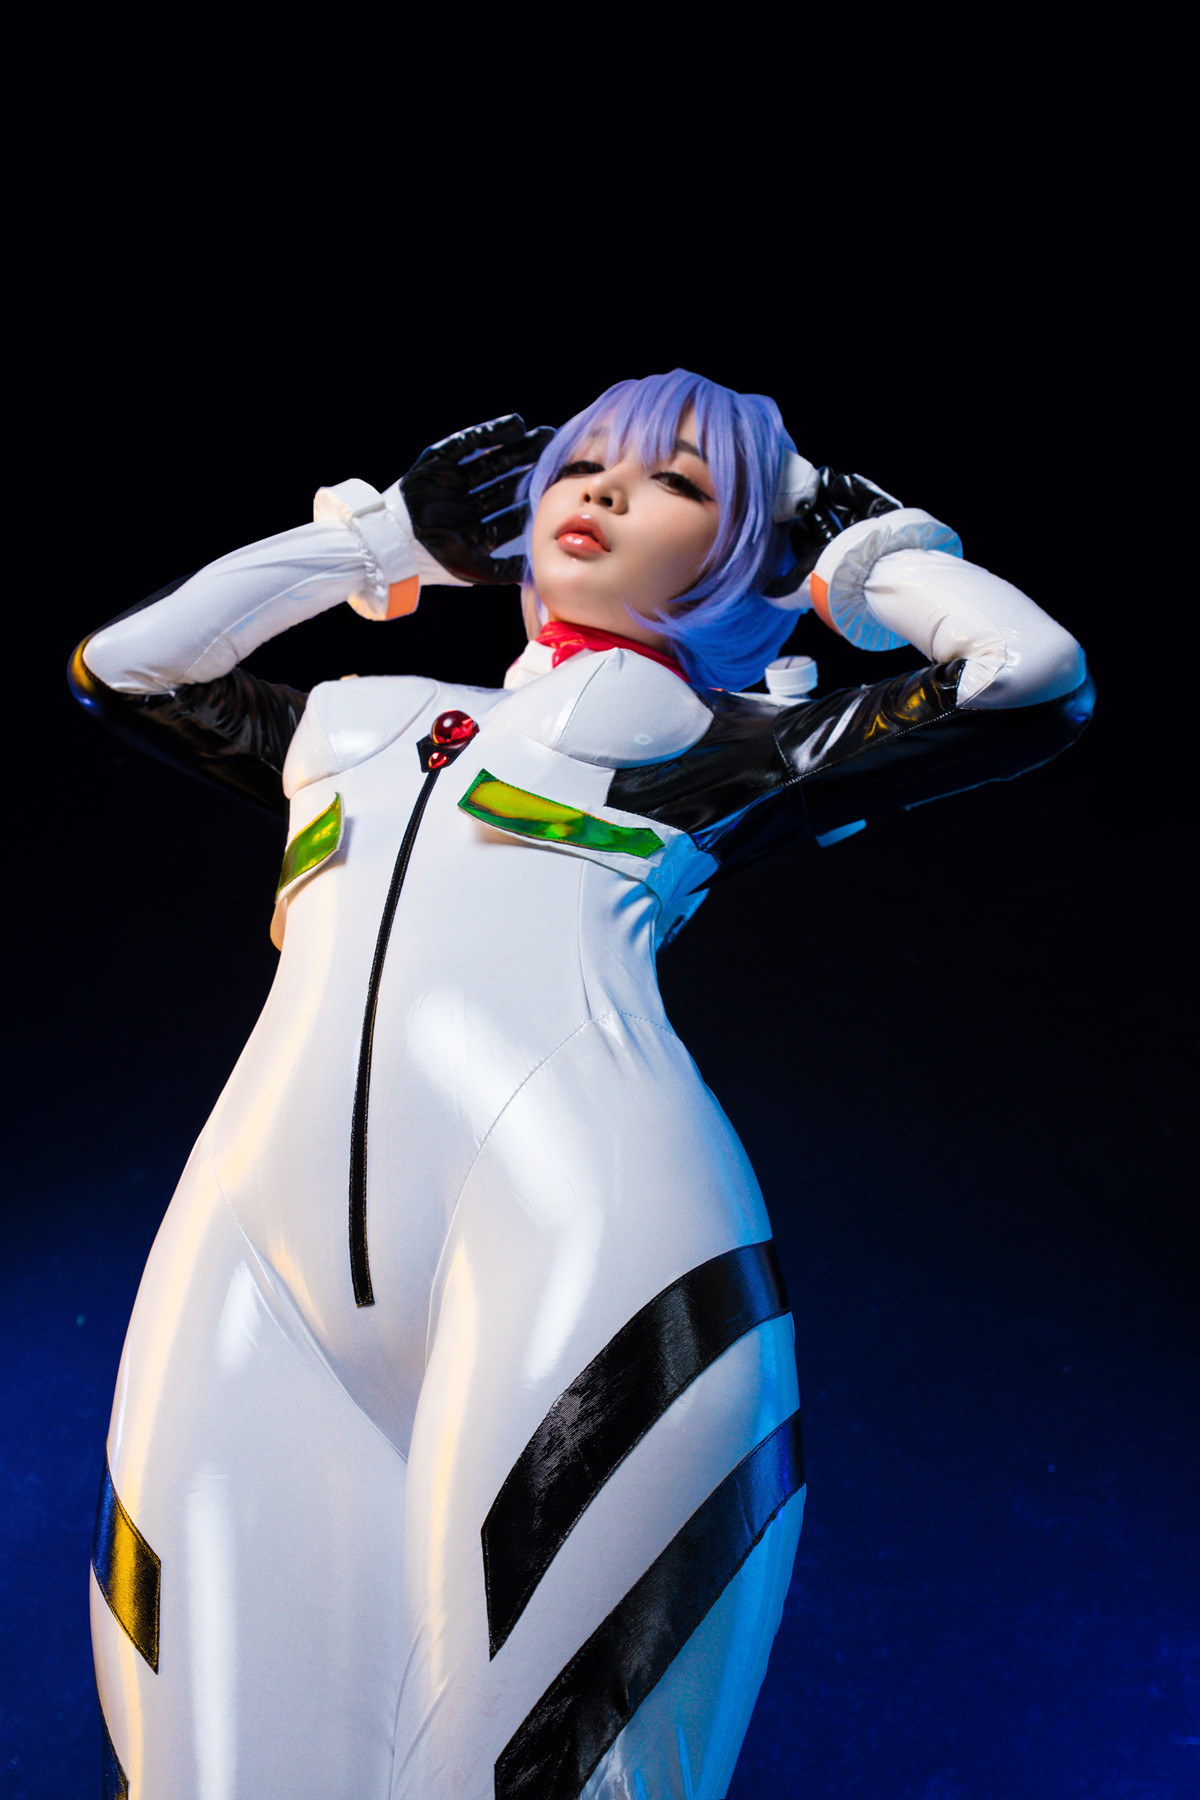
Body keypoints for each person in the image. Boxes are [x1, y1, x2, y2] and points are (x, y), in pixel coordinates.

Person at [71, 370, 1093, 1800]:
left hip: (577, 1227)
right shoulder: (355, 722)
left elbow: (1028, 678)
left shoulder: (719, 747)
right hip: (249, 1253)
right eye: (581, 463)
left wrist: (859, 550)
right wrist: (381, 544)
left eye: (682, 481)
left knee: (552, 1780)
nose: (605, 490)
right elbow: (124, 669)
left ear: (753, 548)